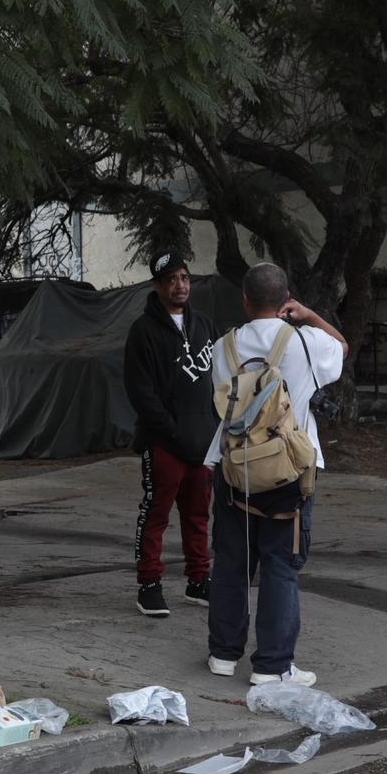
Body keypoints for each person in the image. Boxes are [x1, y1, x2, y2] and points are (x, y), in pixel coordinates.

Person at [205, 262, 347, 685]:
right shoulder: (306, 343)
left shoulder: (222, 348)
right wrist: (309, 316)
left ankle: (223, 655)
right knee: (280, 565)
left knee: (231, 561)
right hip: (288, 469)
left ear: (244, 300)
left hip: (233, 466)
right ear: (286, 299)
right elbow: (342, 346)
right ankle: (271, 665)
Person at [123, 251, 219, 618]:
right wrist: (173, 432)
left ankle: (199, 580)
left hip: (203, 444)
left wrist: (213, 427)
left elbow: (219, 379)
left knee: (198, 515)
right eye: (171, 280)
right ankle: (149, 584)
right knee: (156, 513)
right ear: (157, 286)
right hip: (163, 443)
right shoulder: (142, 332)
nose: (179, 285)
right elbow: (140, 393)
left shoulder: (205, 325)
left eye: (184, 278)